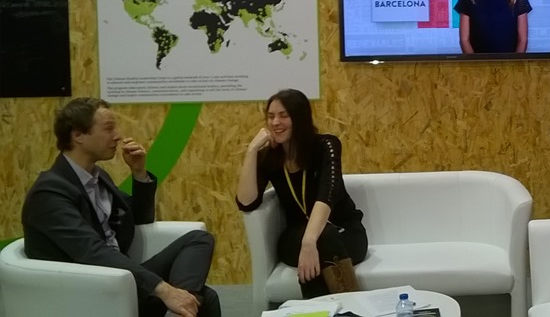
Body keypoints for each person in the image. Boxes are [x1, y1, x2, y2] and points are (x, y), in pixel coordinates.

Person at [21, 97, 220, 317]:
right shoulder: (49, 193)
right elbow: (92, 252)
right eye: (108, 128)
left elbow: (140, 218)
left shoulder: (97, 176)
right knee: (201, 298)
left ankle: (181, 310)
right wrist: (164, 290)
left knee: (199, 242)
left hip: (120, 277)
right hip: (88, 291)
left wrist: (139, 172)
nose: (117, 136)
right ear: (78, 136)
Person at [236, 88, 367, 299]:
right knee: (324, 238)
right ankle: (349, 308)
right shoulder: (270, 157)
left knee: (326, 236)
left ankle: (322, 309)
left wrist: (309, 242)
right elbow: (246, 202)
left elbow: (327, 194)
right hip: (296, 235)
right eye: (270, 116)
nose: (275, 122)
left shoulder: (326, 146)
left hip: (344, 232)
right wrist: (251, 151)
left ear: (300, 118)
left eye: (283, 115)